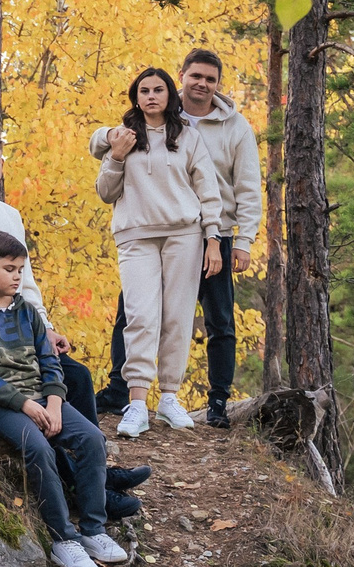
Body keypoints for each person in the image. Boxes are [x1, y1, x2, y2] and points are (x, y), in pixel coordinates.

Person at [0, 130, 150, 520]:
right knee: (50, 392)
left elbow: (25, 280)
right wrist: (10, 322)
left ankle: (98, 473)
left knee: (77, 376)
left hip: (18, 319)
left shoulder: (10, 215)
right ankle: (87, 487)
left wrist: (45, 328)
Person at [97, 50, 266, 427]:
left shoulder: (234, 127)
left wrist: (242, 240)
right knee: (134, 313)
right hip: (148, 231)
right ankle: (122, 392)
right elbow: (105, 148)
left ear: (217, 84)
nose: (202, 83)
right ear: (182, 78)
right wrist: (108, 139)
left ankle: (217, 401)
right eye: (196, 76)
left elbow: (247, 186)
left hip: (213, 232)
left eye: (210, 79)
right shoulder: (150, 117)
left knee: (215, 319)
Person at [0, 228, 131, 567]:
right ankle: (63, 538)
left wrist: (54, 403)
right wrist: (24, 404)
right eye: (9, 269)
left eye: (20, 269)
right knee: (39, 448)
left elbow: (50, 362)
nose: (17, 276)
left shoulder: (28, 311)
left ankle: (94, 530)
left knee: (92, 438)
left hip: (42, 398)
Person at [94, 66, 222, 437]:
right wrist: (116, 154)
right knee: (140, 316)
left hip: (185, 235)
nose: (151, 96)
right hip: (135, 236)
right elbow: (105, 192)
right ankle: (136, 404)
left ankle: (168, 398)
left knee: (178, 317)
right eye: (144, 91)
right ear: (136, 97)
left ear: (170, 95)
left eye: (158, 90)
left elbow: (208, 190)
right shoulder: (123, 137)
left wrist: (213, 238)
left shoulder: (188, 137)